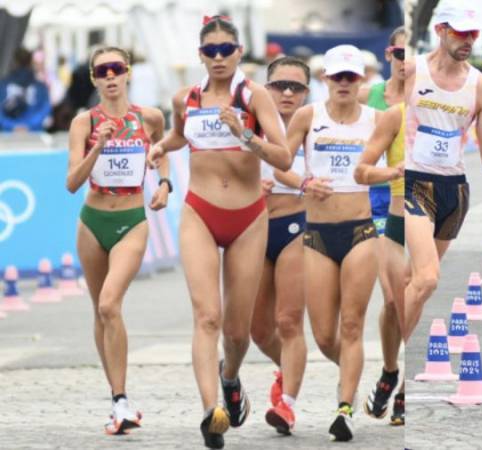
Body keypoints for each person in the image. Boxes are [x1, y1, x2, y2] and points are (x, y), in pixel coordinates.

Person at [146, 15, 291, 449]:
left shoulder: (255, 96)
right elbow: (177, 137)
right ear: (200, 56)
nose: (219, 57)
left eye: (226, 49)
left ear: (239, 53)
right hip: (199, 212)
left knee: (236, 331)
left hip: (248, 216)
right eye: (210, 51)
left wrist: (245, 133)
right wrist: (160, 148)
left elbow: (283, 158)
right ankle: (212, 412)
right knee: (207, 316)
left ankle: (230, 377)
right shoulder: (185, 98)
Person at [65, 46, 170, 435]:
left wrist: (164, 183)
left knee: (111, 303)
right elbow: (72, 183)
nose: (110, 76)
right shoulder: (84, 122)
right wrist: (98, 146)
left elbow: (164, 150)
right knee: (100, 310)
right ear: (93, 78)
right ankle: (117, 400)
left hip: (132, 219)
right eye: (102, 70)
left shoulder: (149, 117)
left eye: (117, 68)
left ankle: (122, 399)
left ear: (127, 73)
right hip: (92, 221)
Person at [285, 44, 380, 442]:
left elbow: (394, 164)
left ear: (361, 81)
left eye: (350, 77)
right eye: (336, 77)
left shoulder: (378, 120)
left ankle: (344, 408)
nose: (343, 83)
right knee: (324, 334)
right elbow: (281, 163)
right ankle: (354, 380)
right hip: (318, 235)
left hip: (360, 231)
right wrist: (305, 182)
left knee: (352, 324)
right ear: (325, 80)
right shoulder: (309, 116)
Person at [404, 0, 482, 342]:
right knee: (427, 278)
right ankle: (392, 365)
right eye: (462, 33)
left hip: (454, 190)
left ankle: (393, 364)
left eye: (473, 34)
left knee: (415, 283)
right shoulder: (411, 70)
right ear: (441, 31)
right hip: (413, 184)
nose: (468, 40)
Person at [250, 56, 310, 436]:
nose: (287, 93)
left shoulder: (318, 126)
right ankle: (289, 368)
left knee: (289, 321)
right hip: (253, 229)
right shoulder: (248, 126)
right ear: (266, 87)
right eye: (279, 86)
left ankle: (287, 404)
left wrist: (300, 181)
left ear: (306, 91)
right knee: (257, 331)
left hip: (298, 227)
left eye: (296, 87)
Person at [357, 26, 406, 426]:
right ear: (388, 53)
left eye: (411, 54)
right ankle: (390, 370)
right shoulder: (368, 96)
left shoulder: (430, 101)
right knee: (392, 300)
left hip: (419, 208)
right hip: (373, 205)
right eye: (398, 52)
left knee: (414, 296)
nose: (404, 61)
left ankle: (405, 389)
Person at [0, 48, 51, 132]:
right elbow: (45, 109)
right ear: (30, 63)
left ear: (14, 63)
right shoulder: (40, 86)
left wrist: (12, 126)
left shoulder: (3, 85)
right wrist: (28, 126)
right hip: (34, 134)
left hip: (7, 135)